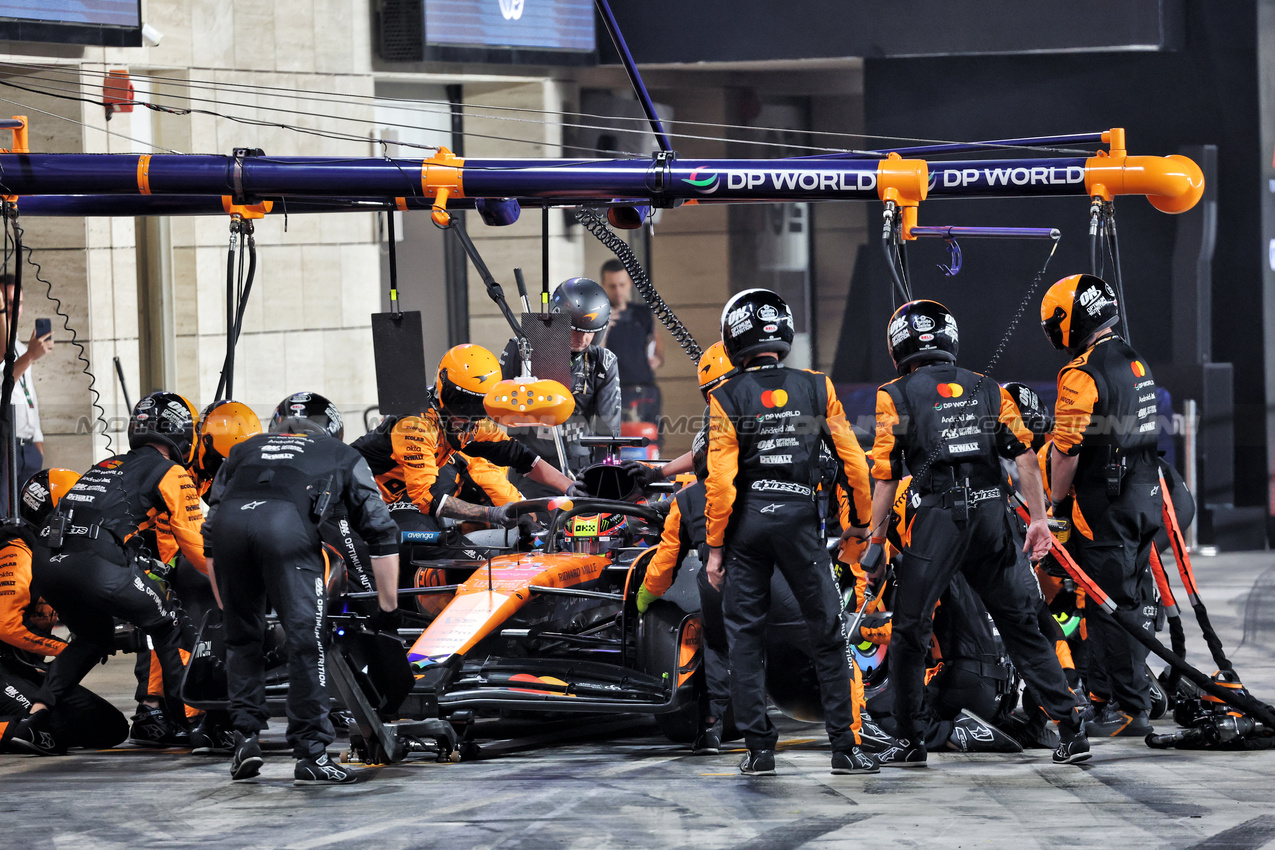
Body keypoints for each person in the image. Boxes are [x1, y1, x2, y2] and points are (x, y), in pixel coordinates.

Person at [864, 299, 1090, 767]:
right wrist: (1041, 520)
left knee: (910, 631)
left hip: (940, 518)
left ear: (896, 345)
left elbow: (885, 476)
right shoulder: (989, 387)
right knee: (1023, 627)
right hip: (994, 515)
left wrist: (875, 543)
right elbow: (1025, 457)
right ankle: (1071, 728)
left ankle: (910, 741)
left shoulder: (895, 394)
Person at [703, 288, 879, 776]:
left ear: (732, 339)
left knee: (745, 639)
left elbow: (720, 481)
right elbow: (854, 465)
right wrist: (858, 526)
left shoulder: (724, 395)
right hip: (802, 523)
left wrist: (715, 548)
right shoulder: (817, 387)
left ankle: (760, 752)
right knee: (826, 633)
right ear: (783, 332)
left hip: (748, 528)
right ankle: (845, 747)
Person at [204, 392, 401, 785]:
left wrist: (224, 599)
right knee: (306, 641)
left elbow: (210, 528)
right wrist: (387, 608)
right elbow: (380, 530)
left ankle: (245, 739)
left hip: (227, 535)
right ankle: (311, 753)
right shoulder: (341, 453)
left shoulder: (243, 449)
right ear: (332, 427)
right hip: (286, 533)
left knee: (243, 640)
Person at [10, 392, 208, 755]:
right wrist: (232, 581)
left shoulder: (105, 464)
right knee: (167, 623)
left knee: (91, 637)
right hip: (95, 561)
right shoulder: (173, 472)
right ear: (184, 436)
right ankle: (196, 724)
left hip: (46, 563)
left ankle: (34, 721)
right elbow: (196, 547)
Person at [1041, 274, 1161, 738]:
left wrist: (1052, 505)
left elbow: (1067, 450)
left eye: (1056, 322)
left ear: (1074, 320)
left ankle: (1127, 709)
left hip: (1105, 508)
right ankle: (1111, 695)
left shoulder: (1082, 373)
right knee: (1127, 600)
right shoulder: (1135, 360)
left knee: (1108, 607)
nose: (1053, 333)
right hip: (1145, 501)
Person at [353, 345, 577, 545]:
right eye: (461, 402)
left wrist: (569, 487)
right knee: (434, 548)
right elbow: (426, 498)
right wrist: (492, 514)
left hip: (407, 493)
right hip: (365, 500)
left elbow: (517, 455)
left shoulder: (473, 422)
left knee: (512, 506)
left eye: (478, 405)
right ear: (442, 386)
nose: (467, 415)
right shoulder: (415, 425)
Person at [1, 468, 129, 754]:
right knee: (46, 729)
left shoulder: (57, 555)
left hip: (24, 667)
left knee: (109, 727)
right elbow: (6, 625)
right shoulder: (18, 552)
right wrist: (64, 651)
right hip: (3, 668)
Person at [499, 278, 621, 475]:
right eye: (575, 330)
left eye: (590, 332)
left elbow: (608, 429)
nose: (582, 339)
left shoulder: (604, 362)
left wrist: (604, 474)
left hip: (582, 467)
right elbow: (492, 408)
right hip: (530, 465)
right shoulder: (522, 349)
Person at [0, 273, 54, 515]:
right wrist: (30, 357)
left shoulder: (20, 347)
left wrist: (37, 441)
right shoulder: (21, 352)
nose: (14, 310)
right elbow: (4, 382)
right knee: (4, 516)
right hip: (5, 446)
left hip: (27, 449)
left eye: (17, 304)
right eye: (8, 303)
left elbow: (29, 397)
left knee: (30, 518)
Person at [599, 259, 664, 428]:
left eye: (621, 284)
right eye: (612, 286)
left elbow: (655, 341)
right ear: (603, 286)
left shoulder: (642, 314)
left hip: (645, 389)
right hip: (616, 391)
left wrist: (657, 358)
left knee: (651, 441)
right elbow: (595, 356)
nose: (618, 291)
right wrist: (603, 329)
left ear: (629, 283)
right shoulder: (597, 317)